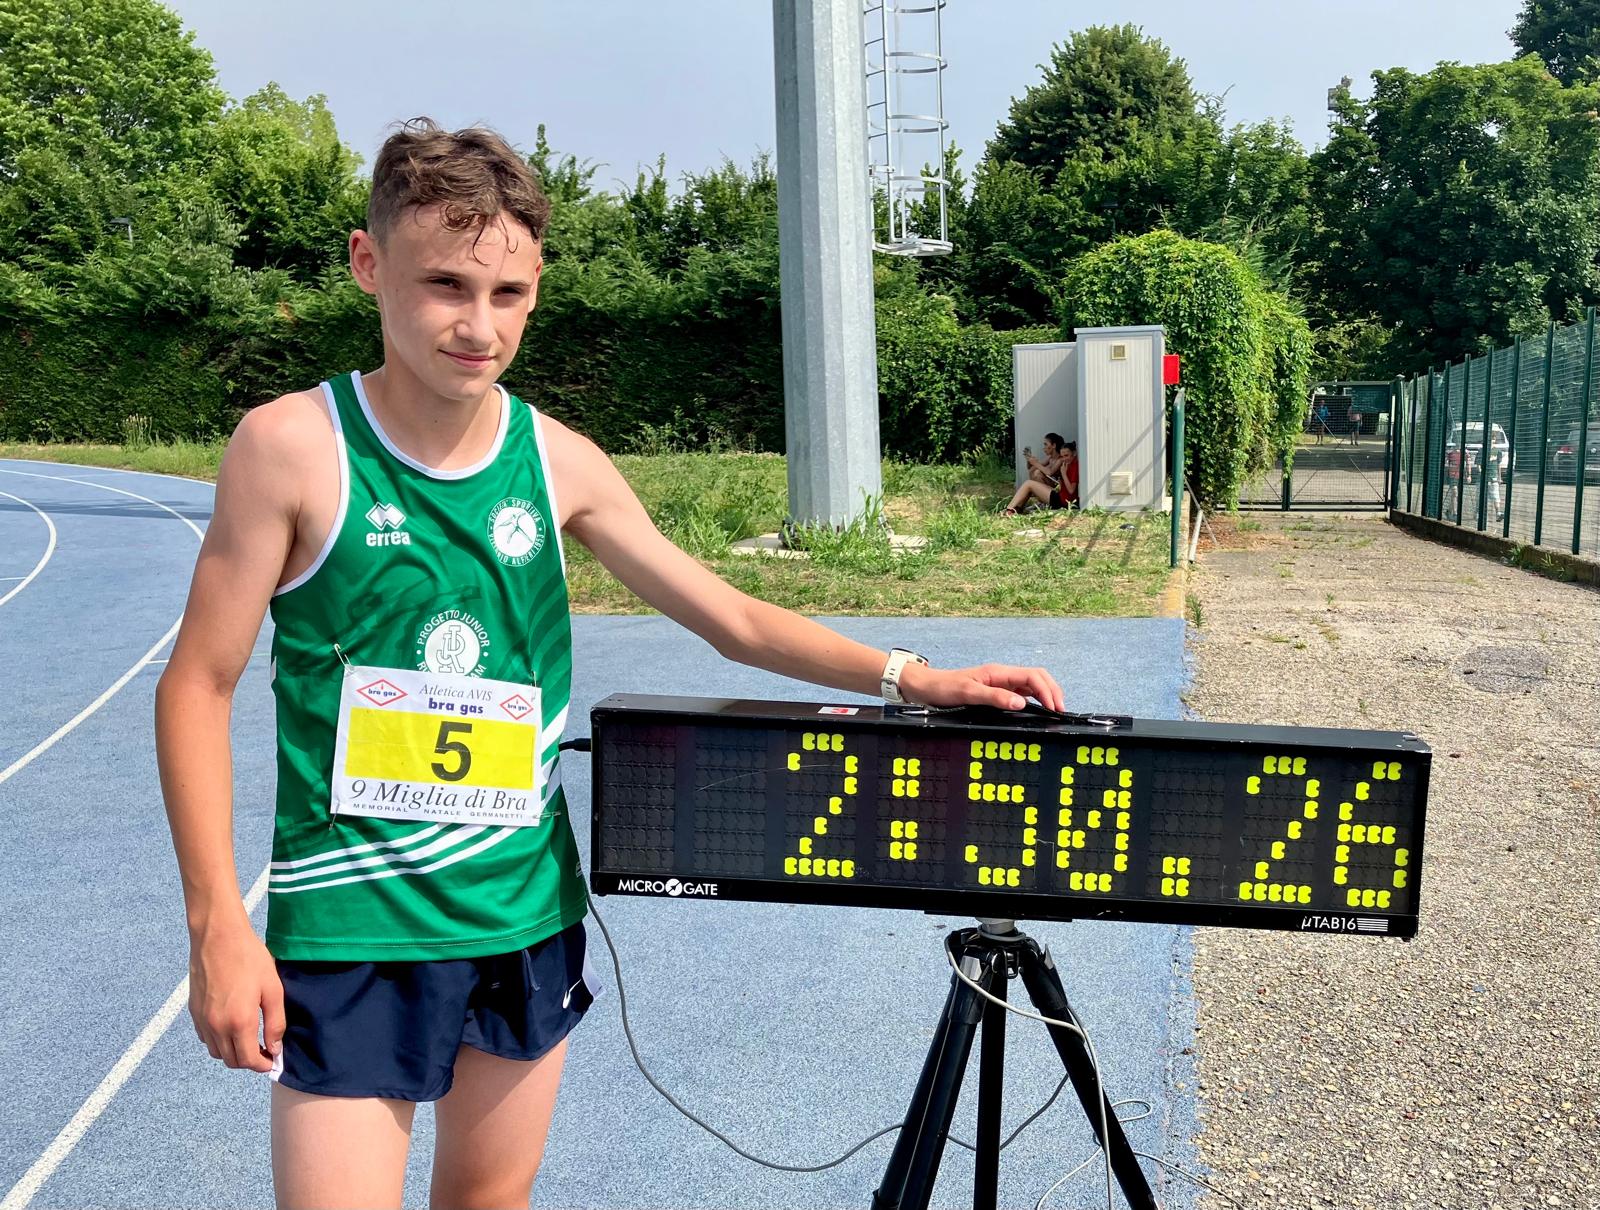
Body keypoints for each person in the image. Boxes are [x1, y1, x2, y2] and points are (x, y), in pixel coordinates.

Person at [152, 118, 1065, 1210]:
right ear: (367, 262)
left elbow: (729, 616)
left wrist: (914, 678)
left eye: (509, 294)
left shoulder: (558, 461)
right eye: (445, 285)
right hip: (354, 928)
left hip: (524, 917)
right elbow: (197, 683)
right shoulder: (291, 447)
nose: (479, 326)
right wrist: (217, 924)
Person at [1003, 433, 1077, 516]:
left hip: (1061, 501)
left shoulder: (1072, 465)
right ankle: (1017, 508)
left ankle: (1009, 510)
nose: (1064, 459)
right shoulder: (1068, 464)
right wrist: (1030, 461)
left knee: (1029, 483)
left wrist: (1063, 474)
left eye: (1066, 455)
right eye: (1063, 456)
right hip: (1059, 497)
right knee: (1031, 481)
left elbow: (1071, 490)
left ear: (1074, 453)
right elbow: (1032, 470)